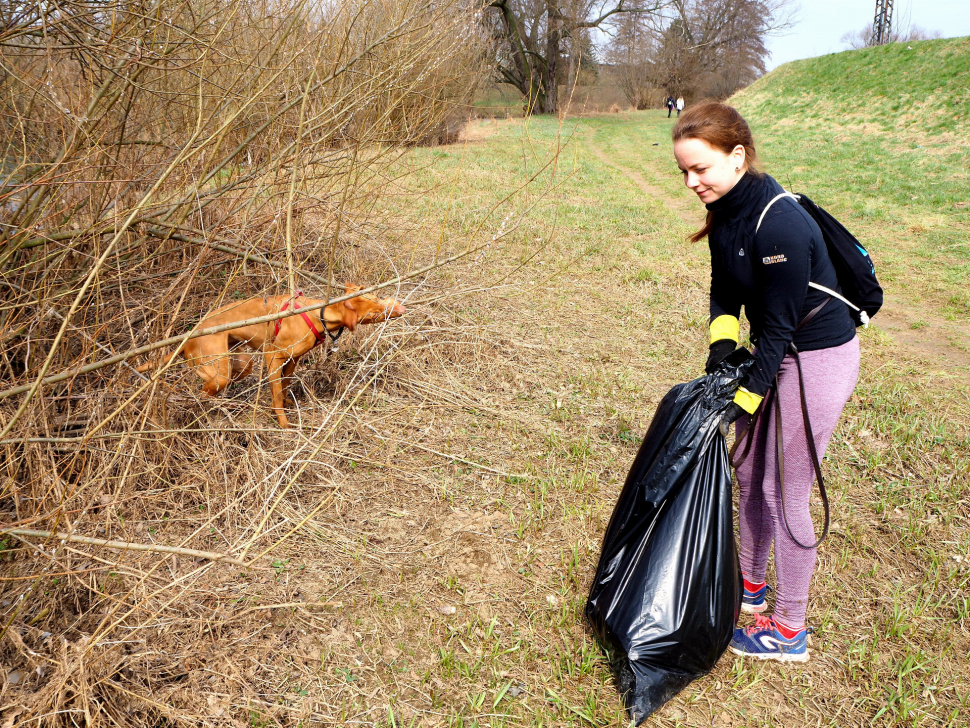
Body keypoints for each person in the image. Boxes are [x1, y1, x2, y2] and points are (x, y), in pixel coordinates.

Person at [671, 102, 860, 663]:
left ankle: (790, 628)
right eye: (683, 170)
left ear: (737, 156)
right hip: (776, 351)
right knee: (749, 472)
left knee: (784, 494)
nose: (690, 182)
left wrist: (745, 397)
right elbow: (726, 292)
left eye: (700, 169)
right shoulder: (727, 210)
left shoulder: (777, 222)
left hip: (816, 358)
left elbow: (777, 328)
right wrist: (722, 350)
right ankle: (751, 589)